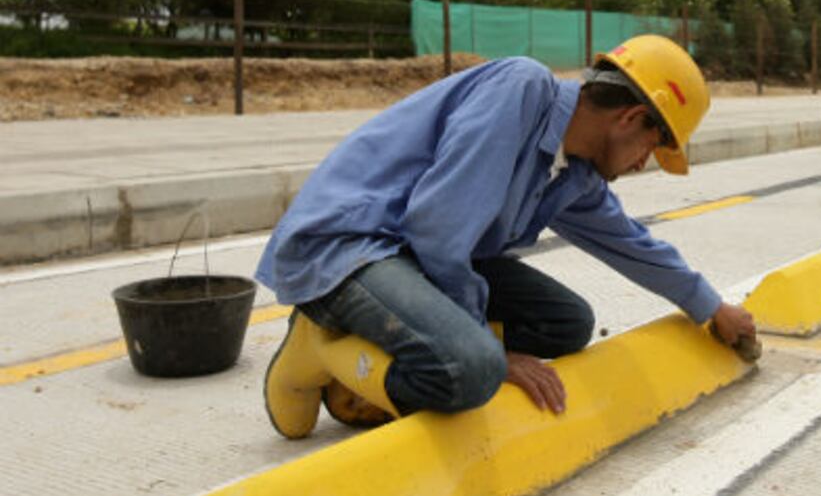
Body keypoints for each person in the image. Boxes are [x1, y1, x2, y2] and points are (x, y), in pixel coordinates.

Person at [258, 34, 759, 439]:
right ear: (630, 117)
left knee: (566, 323)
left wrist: (712, 308)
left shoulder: (577, 175)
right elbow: (438, 226)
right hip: (350, 247)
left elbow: (630, 242)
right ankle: (319, 349)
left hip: (413, 258)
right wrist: (494, 355)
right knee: (471, 371)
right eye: (653, 143)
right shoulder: (520, 91)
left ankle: (416, 342)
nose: (643, 162)